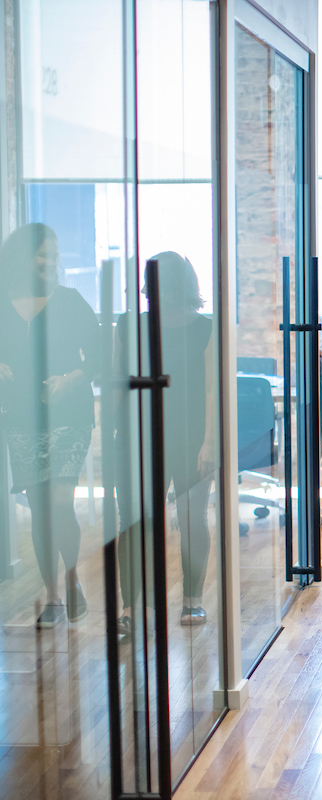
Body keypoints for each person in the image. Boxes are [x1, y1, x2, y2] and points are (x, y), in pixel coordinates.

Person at [0, 223, 100, 628]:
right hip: (22, 417)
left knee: (59, 503)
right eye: (45, 254)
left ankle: (73, 577)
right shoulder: (3, 302)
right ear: (24, 257)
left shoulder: (72, 301)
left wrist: (69, 380)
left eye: (56, 255)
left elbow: (99, 356)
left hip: (68, 415)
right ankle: (54, 595)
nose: (53, 261)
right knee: (41, 509)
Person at [116, 252, 217, 633]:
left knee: (192, 519)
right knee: (135, 522)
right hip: (140, 434)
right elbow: (118, 383)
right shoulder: (129, 325)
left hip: (191, 436)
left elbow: (211, 391)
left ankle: (193, 599)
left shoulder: (204, 329)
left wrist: (209, 442)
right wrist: (115, 435)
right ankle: (130, 607)